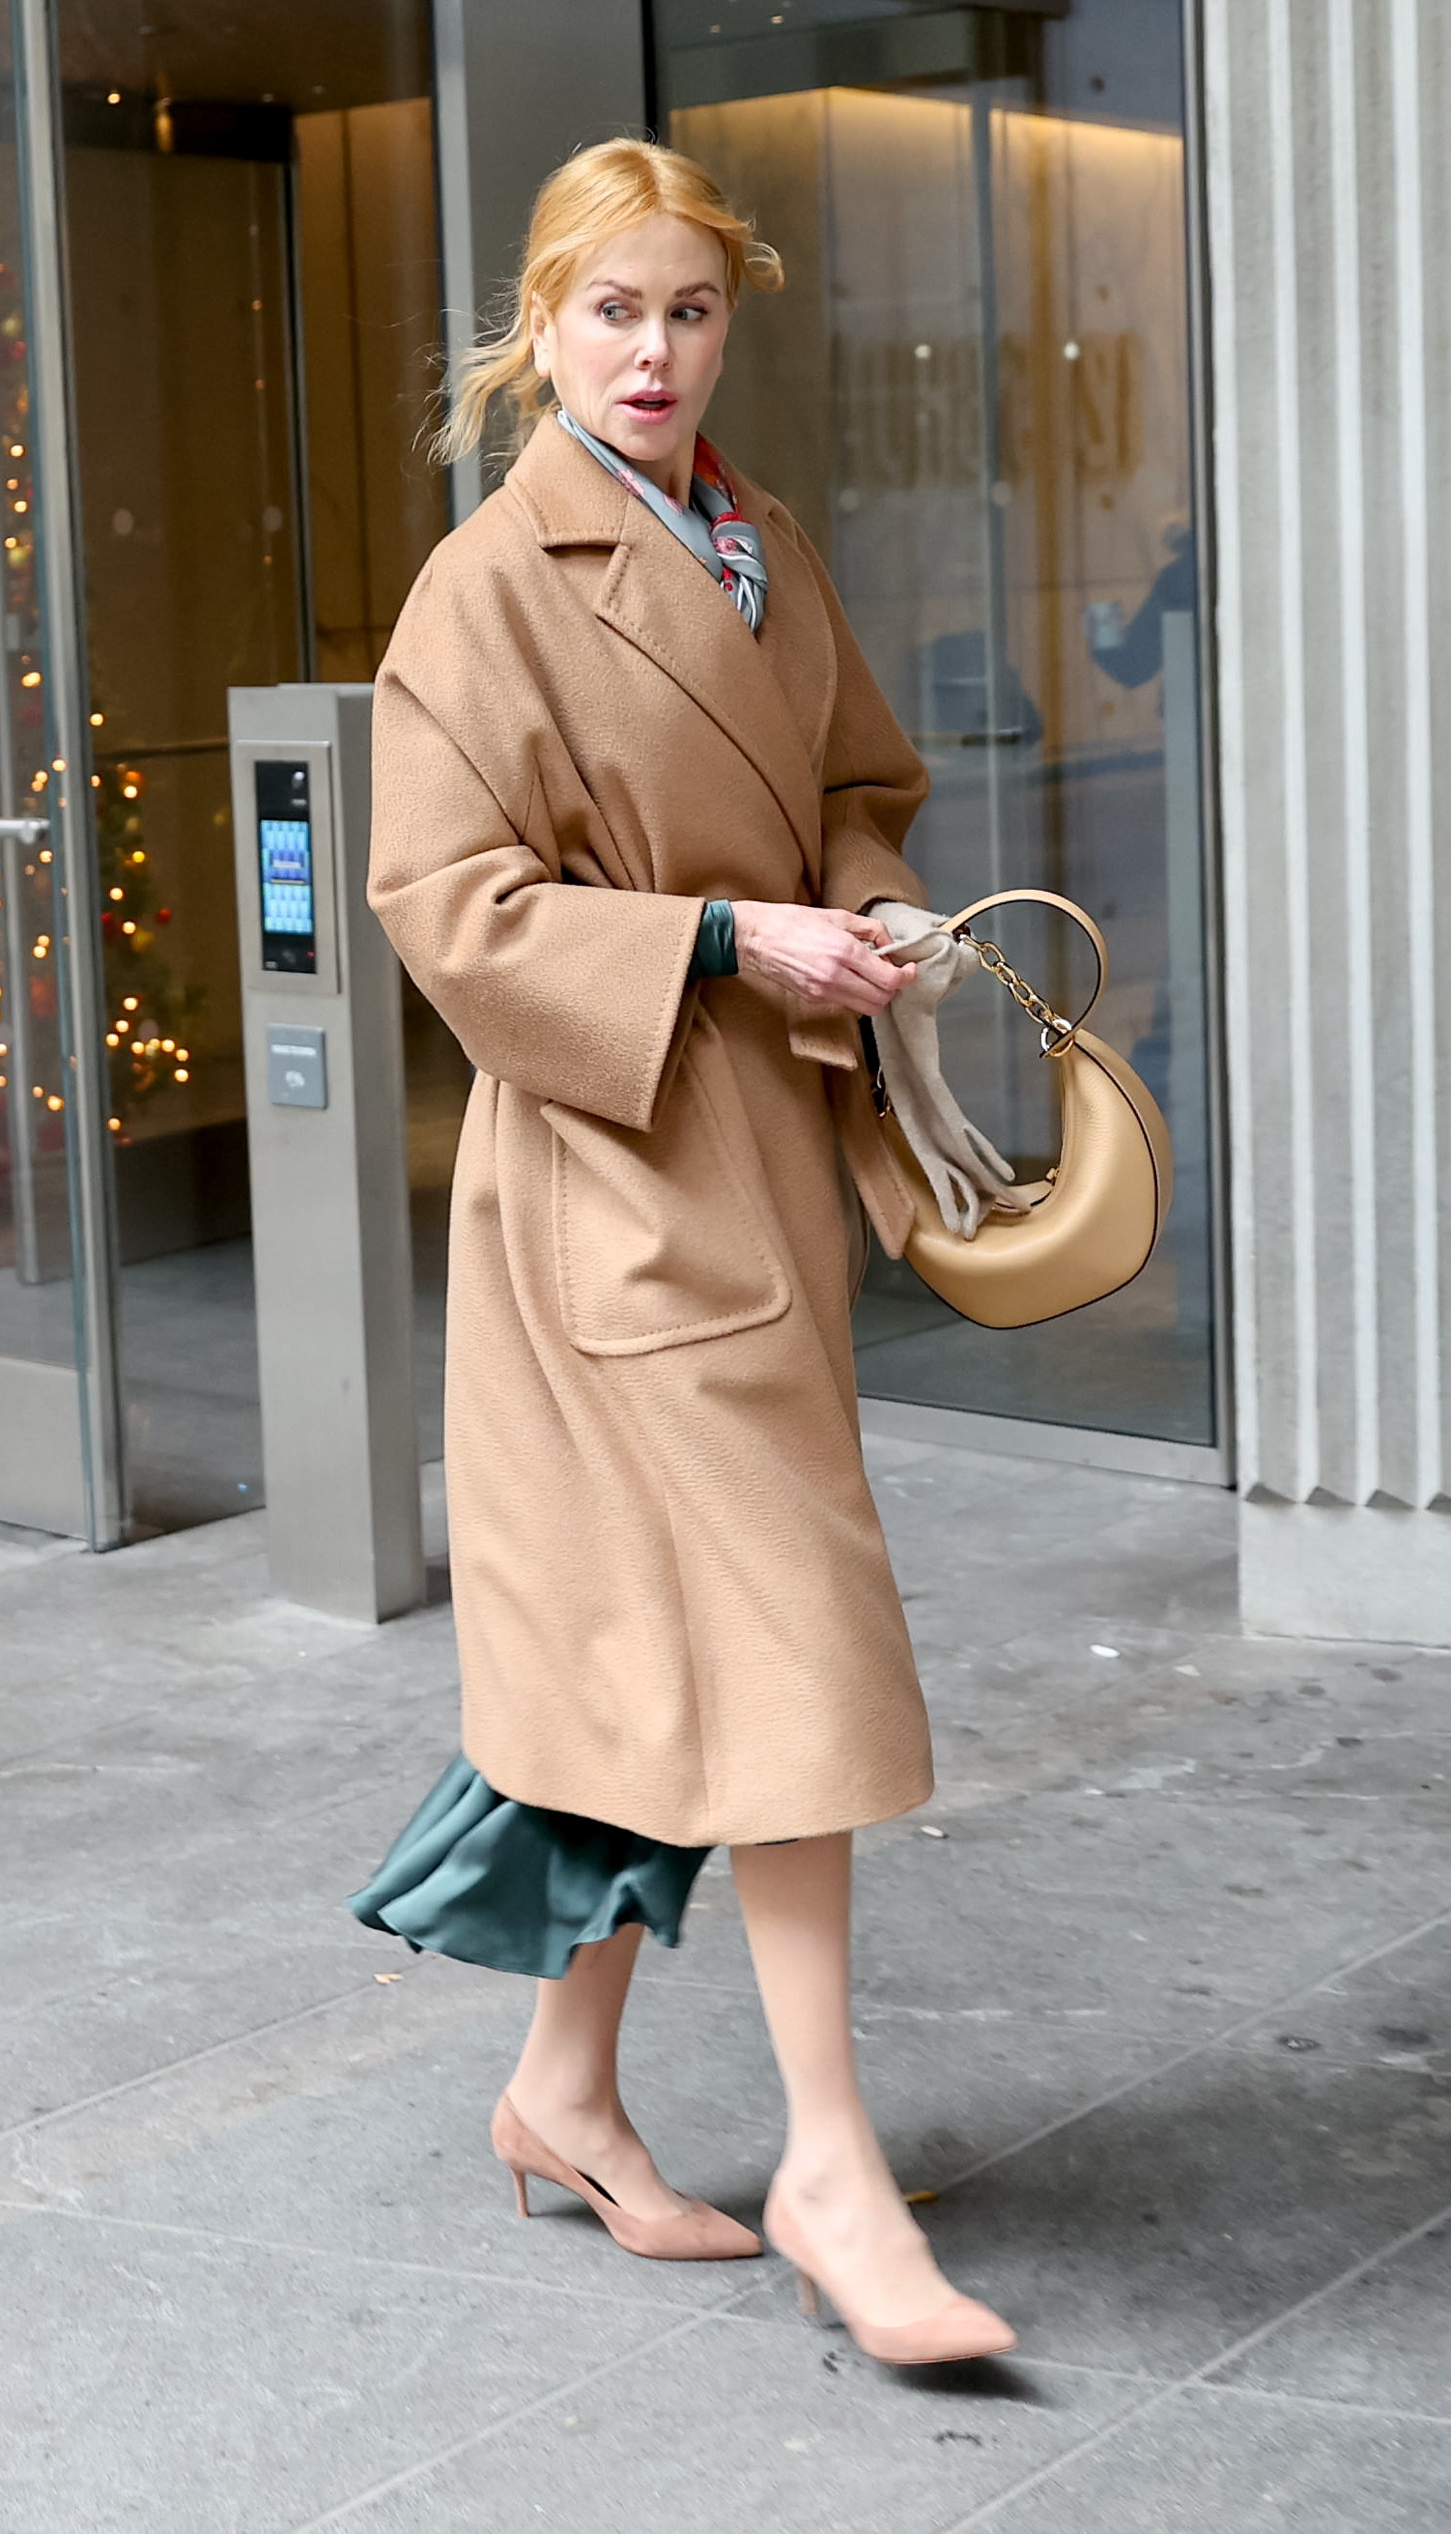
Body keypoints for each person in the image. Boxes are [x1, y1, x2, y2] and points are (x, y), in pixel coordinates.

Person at [346, 142, 1015, 2368]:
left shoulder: (757, 539)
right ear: (537, 325)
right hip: (611, 1180)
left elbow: (851, 776)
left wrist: (863, 901)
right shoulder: (484, 585)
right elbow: (445, 912)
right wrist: (731, 935)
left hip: (758, 1161)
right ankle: (832, 2161)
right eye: (611, 311)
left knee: (646, 1663)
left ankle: (559, 2093)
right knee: (791, 1641)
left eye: (689, 312)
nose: (652, 352)